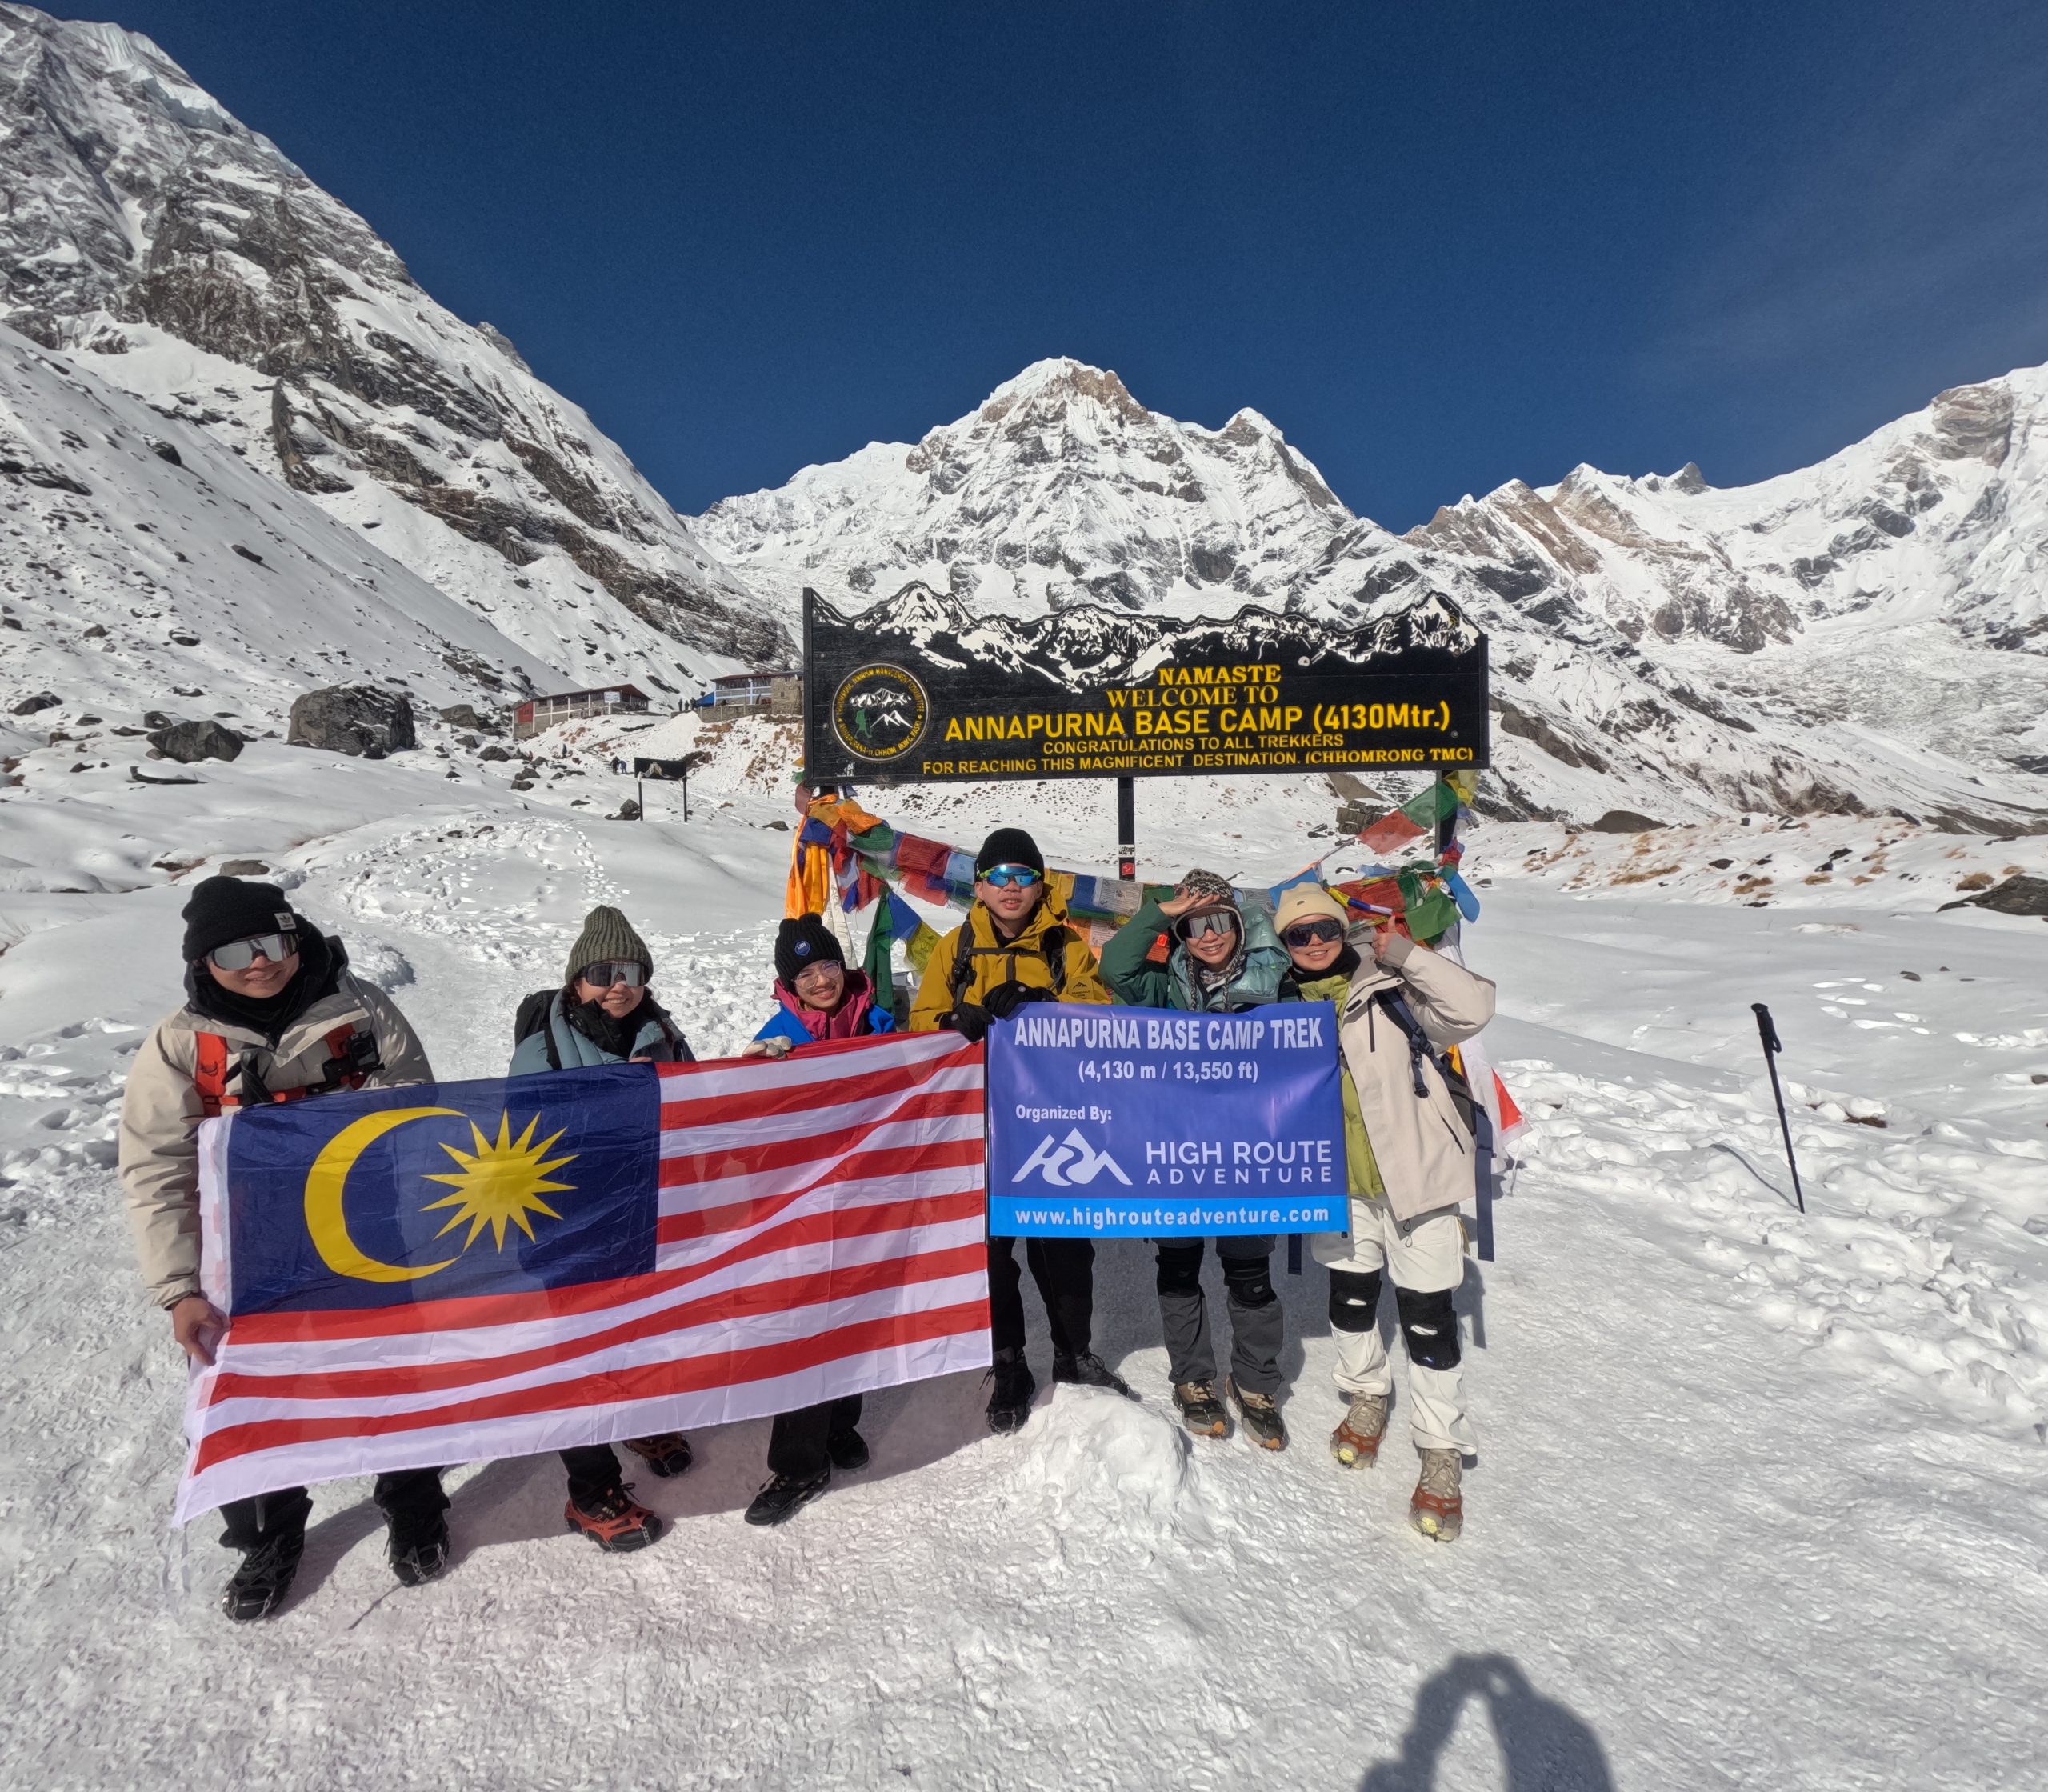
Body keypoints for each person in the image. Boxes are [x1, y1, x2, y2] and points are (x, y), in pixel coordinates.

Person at [118, 876, 450, 1620]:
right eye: (234, 950)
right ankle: (269, 1529)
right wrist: (178, 1287)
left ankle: (412, 1496)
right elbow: (155, 1168)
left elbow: (420, 1113)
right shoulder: (182, 1044)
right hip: (250, 1255)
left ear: (295, 938)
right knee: (256, 1392)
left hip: (369, 1240)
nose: (260, 962)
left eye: (273, 941)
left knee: (388, 1372)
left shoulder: (361, 1010)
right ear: (204, 962)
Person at [1274, 882, 1494, 1542]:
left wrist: (1405, 952)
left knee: (1428, 1319)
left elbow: (1475, 1006)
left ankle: (1441, 1448)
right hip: (1334, 1188)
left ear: (1346, 931)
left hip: (1417, 1183)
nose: (1314, 943)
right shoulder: (1280, 1008)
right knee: (1350, 1300)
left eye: (1326, 929)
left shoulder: (1392, 989)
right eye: (1298, 935)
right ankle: (1366, 1394)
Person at [908, 826, 1130, 1432]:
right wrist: (956, 1019)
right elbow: (921, 1026)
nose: (1011, 888)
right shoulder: (954, 949)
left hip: (1052, 1123)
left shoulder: (1066, 947)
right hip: (977, 1128)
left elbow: (1098, 1012)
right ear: (979, 886)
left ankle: (1071, 1353)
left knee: (1063, 1250)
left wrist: (1041, 1002)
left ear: (1041, 885)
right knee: (990, 1256)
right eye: (999, 877)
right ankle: (1007, 1362)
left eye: (1024, 876)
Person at [510, 905, 694, 1550]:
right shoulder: (543, 1050)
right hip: (573, 1227)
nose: (619, 983)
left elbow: (697, 1104)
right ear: (576, 981)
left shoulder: (663, 1033)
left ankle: (640, 1420)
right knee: (582, 1354)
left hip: (644, 1215)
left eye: (631, 971)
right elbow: (519, 1151)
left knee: (641, 1331)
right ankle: (590, 1491)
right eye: (602, 971)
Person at [1098, 868, 1293, 1450]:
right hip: (1177, 1152)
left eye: (1218, 922)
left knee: (1251, 1276)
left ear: (1239, 922)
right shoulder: (1163, 986)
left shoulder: (1277, 982)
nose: (1207, 936)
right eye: (1192, 926)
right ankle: (1193, 1379)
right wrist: (1161, 911)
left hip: (1251, 1153)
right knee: (1179, 1270)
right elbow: (1115, 968)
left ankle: (1256, 1382)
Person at [732, 915, 890, 1522]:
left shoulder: (881, 1025)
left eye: (828, 966)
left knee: (853, 1315)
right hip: (805, 1211)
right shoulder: (776, 1037)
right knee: (802, 1329)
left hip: (869, 1203)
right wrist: (751, 1076)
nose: (821, 980)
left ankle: (839, 1424)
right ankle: (798, 1464)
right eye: (805, 973)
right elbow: (747, 1136)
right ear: (789, 985)